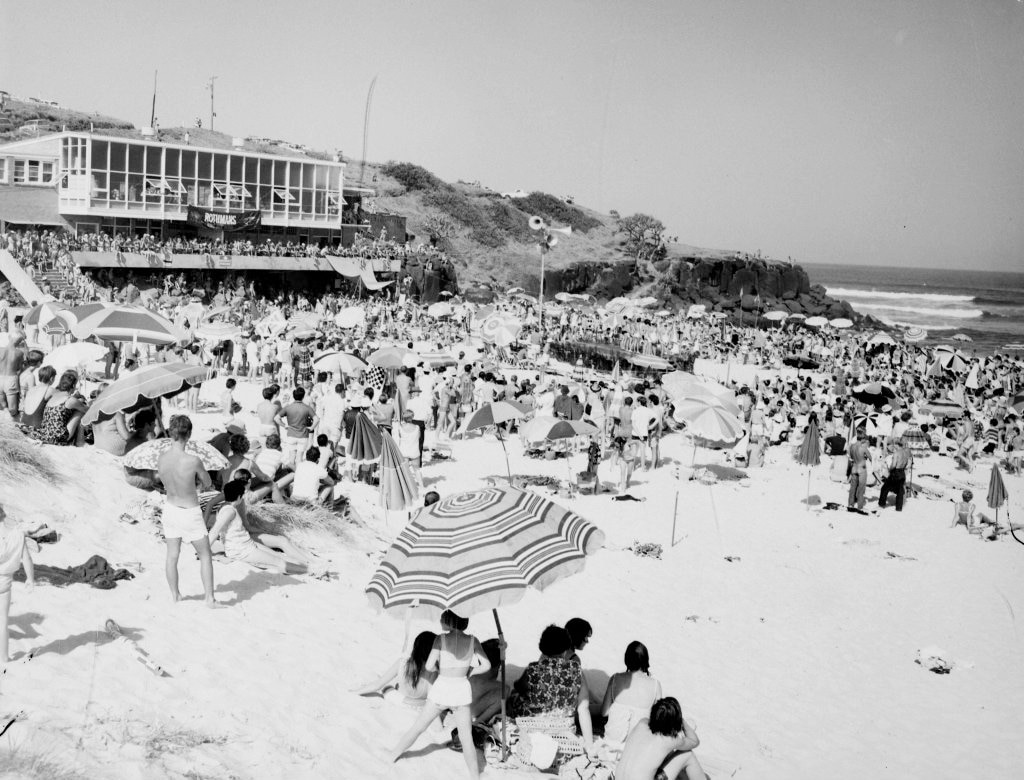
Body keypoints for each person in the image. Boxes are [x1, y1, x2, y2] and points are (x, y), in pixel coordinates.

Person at [390, 610, 491, 779]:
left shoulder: (440, 639)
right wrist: (470, 671)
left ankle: (393, 754)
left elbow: (429, 666)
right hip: (460, 691)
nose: (441, 619)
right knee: (466, 739)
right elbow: (486, 666)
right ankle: (475, 776)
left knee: (418, 727)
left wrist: (441, 669)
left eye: (443, 617)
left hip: (442, 688)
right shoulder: (473, 641)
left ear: (450, 621)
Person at [157, 415, 221, 608]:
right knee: (205, 555)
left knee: (172, 555)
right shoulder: (193, 460)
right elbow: (208, 483)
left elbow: (163, 479)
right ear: (189, 434)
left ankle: (175, 595)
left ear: (171, 433)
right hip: (189, 511)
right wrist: (199, 482)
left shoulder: (162, 457)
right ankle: (209, 599)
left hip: (170, 509)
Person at [506, 625, 596, 757]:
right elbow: (583, 709)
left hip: (534, 727)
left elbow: (520, 687)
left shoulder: (532, 669)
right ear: (566, 650)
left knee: (513, 696)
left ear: (542, 648)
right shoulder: (576, 671)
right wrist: (589, 744)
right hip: (564, 728)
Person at [207, 479, 308, 574]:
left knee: (278, 556)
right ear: (238, 497)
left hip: (247, 544)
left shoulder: (227, 507)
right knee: (278, 562)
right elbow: (215, 532)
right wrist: (204, 553)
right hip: (242, 551)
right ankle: (312, 571)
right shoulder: (229, 511)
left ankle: (309, 565)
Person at [615, 697, 705, 780]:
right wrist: (682, 720)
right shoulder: (669, 740)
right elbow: (694, 741)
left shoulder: (642, 724)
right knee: (688, 754)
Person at [352, 630, 438, 706]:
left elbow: (377, 685)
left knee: (386, 686)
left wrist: (353, 692)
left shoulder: (402, 663)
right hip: (420, 706)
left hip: (400, 701)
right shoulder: (435, 670)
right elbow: (433, 699)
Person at [601, 641, 663, 744]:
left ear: (627, 659)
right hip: (637, 746)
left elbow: (604, 712)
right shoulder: (656, 685)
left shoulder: (616, 678)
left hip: (612, 743)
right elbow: (658, 720)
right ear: (645, 660)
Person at [0, 503, 34, 665]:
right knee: (3, 622)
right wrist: (30, 578)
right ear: (4, 515)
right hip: (5, 585)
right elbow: (27, 558)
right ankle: (4, 657)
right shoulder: (18, 535)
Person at [275, 387, 318, 471]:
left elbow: (276, 418)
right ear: (303, 396)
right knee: (299, 458)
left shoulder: (288, 407)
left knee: (291, 457)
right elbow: (317, 419)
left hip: (291, 434)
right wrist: (311, 428)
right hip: (303, 435)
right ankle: (297, 474)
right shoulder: (307, 407)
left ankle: (290, 475)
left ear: (293, 396)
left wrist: (284, 426)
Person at [878, 440, 911, 512]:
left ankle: (881, 504)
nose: (893, 446)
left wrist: (890, 469)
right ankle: (899, 508)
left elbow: (893, 464)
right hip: (902, 472)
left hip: (896, 472)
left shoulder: (896, 453)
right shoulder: (906, 453)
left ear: (897, 445)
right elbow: (908, 464)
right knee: (900, 491)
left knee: (885, 488)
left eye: (894, 445)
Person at [0, 333, 27, 418]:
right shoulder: (19, 353)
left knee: (3, 405)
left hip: (0, 377)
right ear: (19, 342)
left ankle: (5, 419)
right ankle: (12, 421)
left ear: (9, 337)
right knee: (13, 409)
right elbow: (20, 368)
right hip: (11, 378)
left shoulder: (0, 350)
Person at [847, 430, 871, 512]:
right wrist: (865, 457)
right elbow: (870, 457)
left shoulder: (852, 446)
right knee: (861, 488)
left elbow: (851, 456)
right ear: (863, 439)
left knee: (852, 487)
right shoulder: (863, 448)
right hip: (862, 469)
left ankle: (850, 503)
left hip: (854, 467)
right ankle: (860, 506)